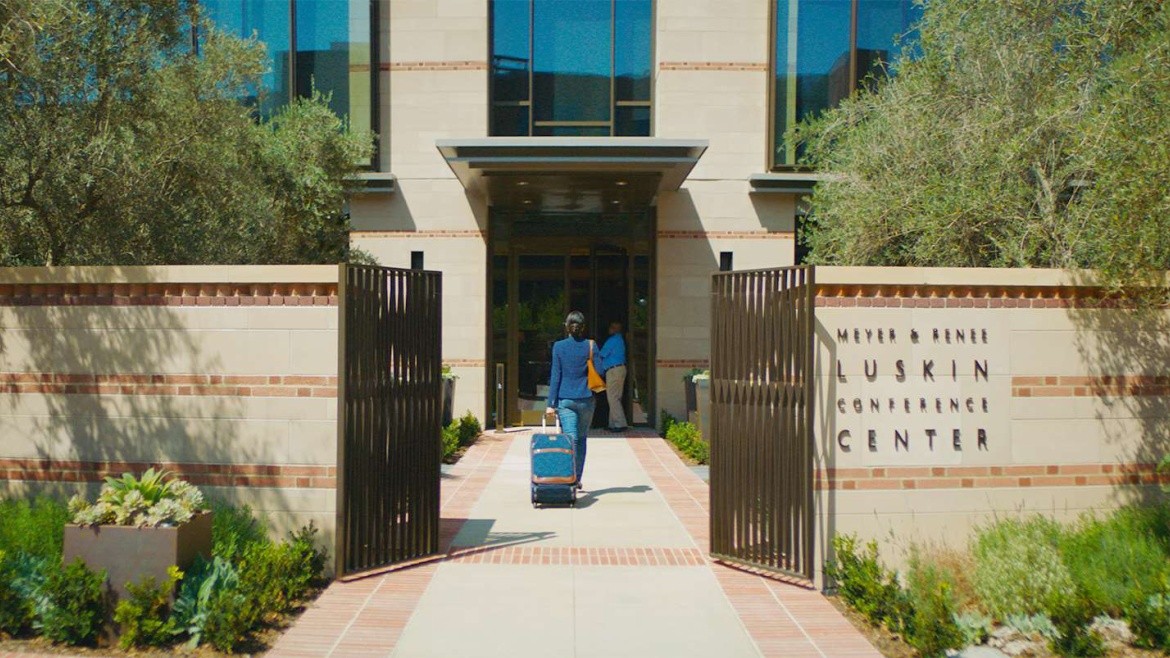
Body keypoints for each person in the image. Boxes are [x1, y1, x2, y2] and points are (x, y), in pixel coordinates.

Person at [545, 311, 598, 489]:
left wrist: (550, 404)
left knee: (571, 439)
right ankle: (576, 478)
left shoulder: (558, 347)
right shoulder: (591, 346)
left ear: (567, 327)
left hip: (565, 400)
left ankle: (569, 475)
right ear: (583, 327)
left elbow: (555, 376)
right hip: (586, 399)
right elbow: (600, 370)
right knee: (581, 439)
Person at [598, 321, 628, 431]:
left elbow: (602, 354)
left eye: (611, 327)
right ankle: (613, 424)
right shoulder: (620, 339)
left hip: (613, 370)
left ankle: (620, 424)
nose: (609, 329)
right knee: (616, 397)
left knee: (612, 397)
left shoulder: (613, 340)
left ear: (615, 329)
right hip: (619, 369)